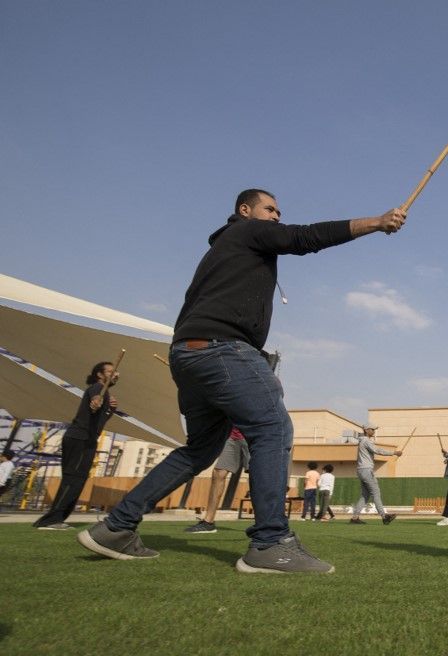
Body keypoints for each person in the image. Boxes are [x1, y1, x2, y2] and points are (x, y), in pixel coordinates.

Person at [78, 188, 406, 574]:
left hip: (188, 355)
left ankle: (115, 527)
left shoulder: (223, 252)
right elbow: (304, 238)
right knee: (272, 427)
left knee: (199, 450)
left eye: (280, 211)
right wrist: (377, 222)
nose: (277, 216)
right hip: (221, 349)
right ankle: (270, 543)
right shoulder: (247, 231)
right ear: (244, 210)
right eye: (270, 209)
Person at [34, 362, 119, 530]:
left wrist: (110, 410)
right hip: (81, 439)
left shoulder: (106, 394)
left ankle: (57, 518)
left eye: (116, 371)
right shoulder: (97, 388)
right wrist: (97, 402)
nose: (115, 374)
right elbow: (95, 400)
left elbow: (98, 420)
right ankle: (51, 520)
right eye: (110, 371)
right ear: (100, 375)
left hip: (85, 439)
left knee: (75, 479)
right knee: (73, 478)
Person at [185, 427, 250, 533]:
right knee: (218, 472)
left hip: (254, 435)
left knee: (256, 474)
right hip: (232, 435)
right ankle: (208, 522)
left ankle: (267, 524)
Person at [348, 424, 401, 525]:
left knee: (365, 495)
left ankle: (355, 518)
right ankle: (384, 516)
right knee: (376, 493)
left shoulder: (362, 441)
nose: (374, 431)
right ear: (366, 430)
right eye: (372, 429)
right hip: (367, 470)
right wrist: (394, 452)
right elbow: (377, 450)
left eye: (374, 430)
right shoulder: (366, 441)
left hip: (361, 470)